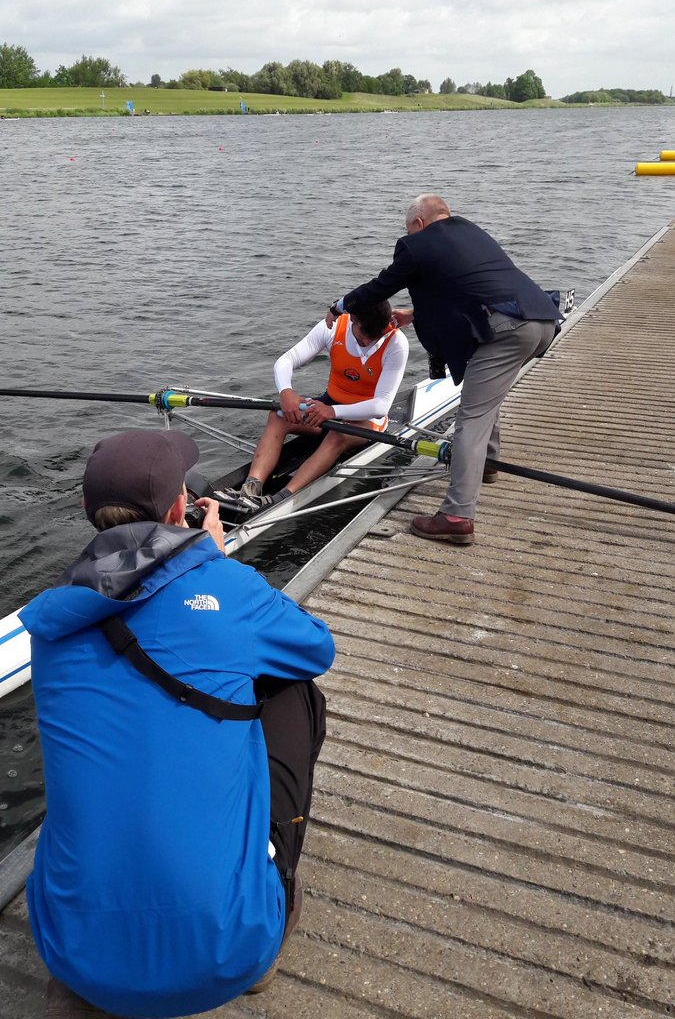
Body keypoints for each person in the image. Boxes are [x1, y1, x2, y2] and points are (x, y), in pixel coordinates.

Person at [20, 428, 335, 1017]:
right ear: (178, 508)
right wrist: (211, 559)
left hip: (71, 954)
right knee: (292, 687)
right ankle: (273, 904)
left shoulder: (52, 622)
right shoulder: (224, 583)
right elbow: (318, 647)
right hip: (224, 954)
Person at [327, 194, 560, 545]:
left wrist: (341, 305)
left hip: (508, 330)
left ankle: (457, 516)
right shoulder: (470, 232)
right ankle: (487, 464)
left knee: (471, 418)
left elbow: (380, 287)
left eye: (410, 229)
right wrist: (414, 313)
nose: (409, 235)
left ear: (419, 224)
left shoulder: (418, 245)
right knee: (483, 397)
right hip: (540, 321)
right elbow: (471, 288)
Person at [233, 300, 409, 511]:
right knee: (278, 416)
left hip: (368, 418)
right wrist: (286, 391)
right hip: (330, 406)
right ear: (352, 318)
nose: (368, 343)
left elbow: (381, 406)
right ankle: (250, 489)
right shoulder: (333, 326)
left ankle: (280, 499)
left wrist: (332, 412)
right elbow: (286, 360)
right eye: (363, 337)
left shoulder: (397, 343)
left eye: (374, 337)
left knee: (337, 435)